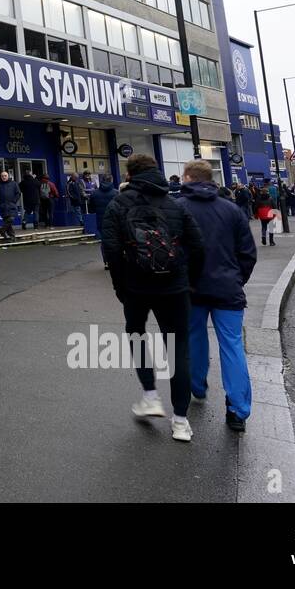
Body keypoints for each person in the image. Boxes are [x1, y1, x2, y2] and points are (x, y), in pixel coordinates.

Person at [100, 153, 204, 442]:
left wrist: (121, 287)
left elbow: (110, 250)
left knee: (136, 335)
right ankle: (181, 421)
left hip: (135, 287)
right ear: (157, 173)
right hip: (175, 287)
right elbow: (197, 246)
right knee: (178, 349)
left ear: (129, 175)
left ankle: (150, 395)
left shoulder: (118, 205)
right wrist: (189, 281)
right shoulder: (174, 203)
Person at [177, 160, 258, 433]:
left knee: (194, 339)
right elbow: (247, 253)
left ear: (188, 177)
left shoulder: (179, 209)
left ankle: (197, 386)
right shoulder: (232, 210)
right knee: (232, 346)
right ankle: (237, 410)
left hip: (191, 289)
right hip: (228, 290)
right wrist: (237, 279)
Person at [89, 174, 118, 268]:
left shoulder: (94, 193)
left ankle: (107, 262)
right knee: (117, 240)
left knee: (104, 241)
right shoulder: (116, 193)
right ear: (111, 180)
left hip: (101, 220)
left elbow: (91, 209)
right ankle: (116, 260)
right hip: (115, 220)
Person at [0, 169, 21, 240]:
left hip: (12, 205)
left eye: (5, 176)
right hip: (3, 206)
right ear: (1, 177)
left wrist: (14, 201)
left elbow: (18, 193)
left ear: (8, 176)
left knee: (11, 219)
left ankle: (2, 230)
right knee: (8, 223)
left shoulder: (13, 183)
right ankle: (12, 237)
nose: (4, 177)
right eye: (2, 176)